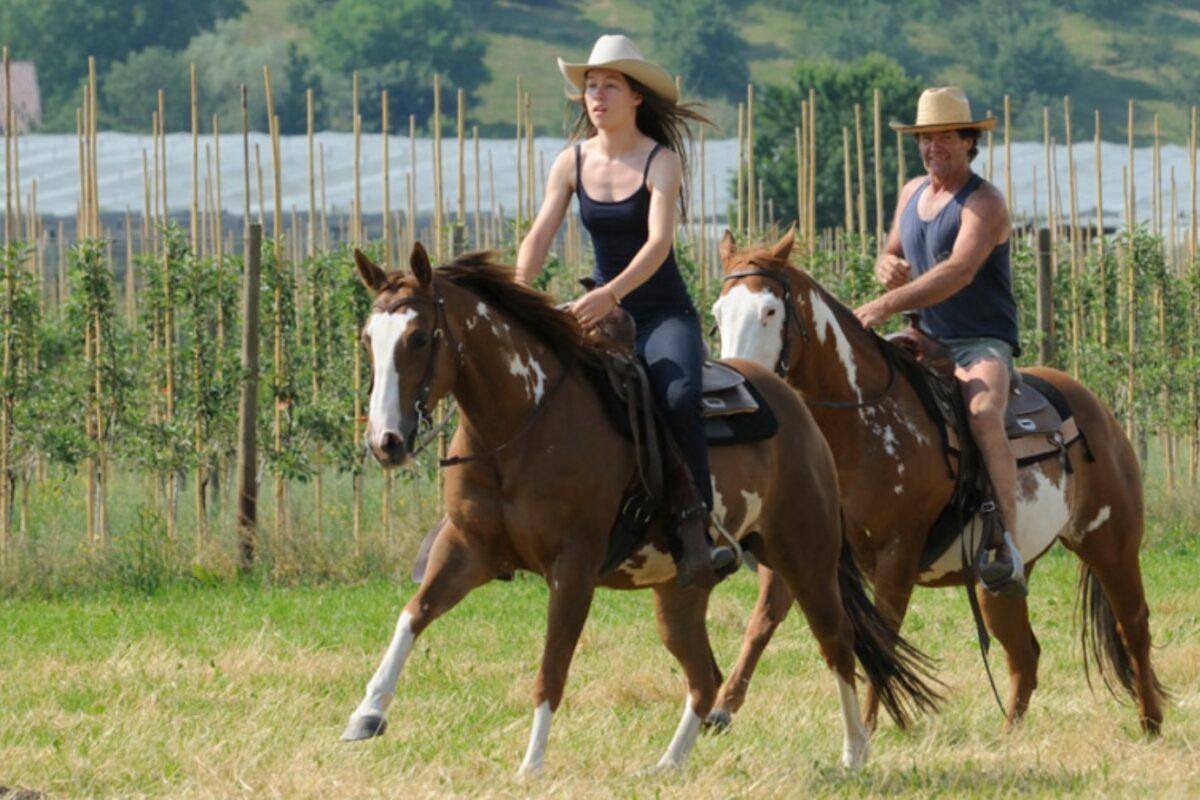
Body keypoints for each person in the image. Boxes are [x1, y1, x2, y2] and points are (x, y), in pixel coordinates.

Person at [515, 34, 734, 587]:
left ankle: (697, 526)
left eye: (610, 85)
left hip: (661, 315)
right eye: (591, 86)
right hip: (598, 313)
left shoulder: (662, 162)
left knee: (679, 395)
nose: (597, 96)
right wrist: (517, 294)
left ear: (636, 96)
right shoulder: (571, 161)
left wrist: (612, 293)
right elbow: (540, 234)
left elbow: (658, 244)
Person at [854, 86, 1026, 597]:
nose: (934, 148)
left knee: (981, 415)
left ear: (971, 141)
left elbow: (958, 271)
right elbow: (890, 251)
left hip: (978, 343)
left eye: (945, 137)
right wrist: (885, 264)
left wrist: (886, 303)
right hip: (921, 335)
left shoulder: (985, 202)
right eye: (926, 138)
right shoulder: (911, 193)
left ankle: (1005, 546)